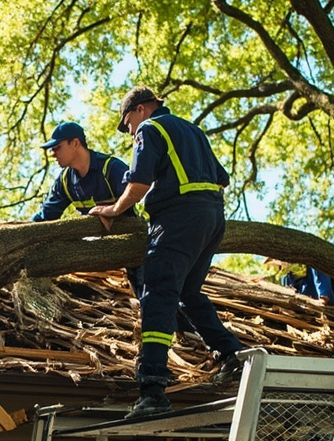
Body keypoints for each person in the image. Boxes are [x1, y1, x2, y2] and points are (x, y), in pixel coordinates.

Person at [90, 87, 246, 417]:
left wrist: (114, 210)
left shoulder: (151, 129)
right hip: (212, 220)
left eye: (127, 122)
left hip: (178, 220)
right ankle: (231, 354)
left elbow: (140, 182)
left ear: (142, 109)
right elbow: (223, 179)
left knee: (158, 295)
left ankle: (153, 389)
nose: (129, 131)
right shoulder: (194, 130)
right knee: (188, 292)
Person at [31, 121, 145, 296]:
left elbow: (134, 195)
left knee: (149, 294)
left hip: (133, 248)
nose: (53, 154)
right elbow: (46, 216)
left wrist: (112, 212)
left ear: (75, 143)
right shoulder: (65, 182)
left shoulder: (111, 168)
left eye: (57, 147)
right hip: (96, 251)